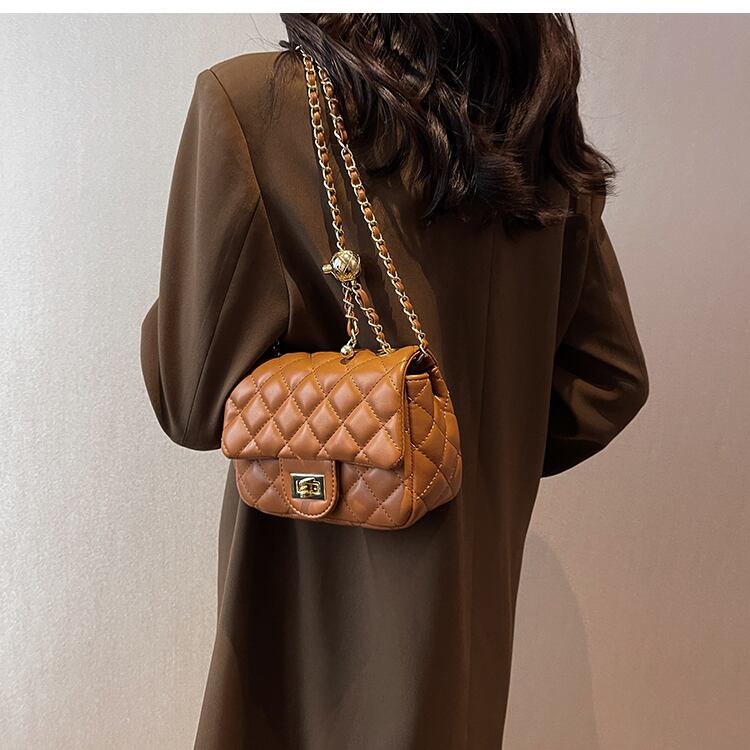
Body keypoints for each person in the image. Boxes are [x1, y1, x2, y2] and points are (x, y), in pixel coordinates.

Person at [140, 13, 648, 750]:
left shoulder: (254, 106)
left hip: (304, 625)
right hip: (466, 625)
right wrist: (467, 457)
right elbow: (608, 378)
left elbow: (188, 401)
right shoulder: (536, 130)